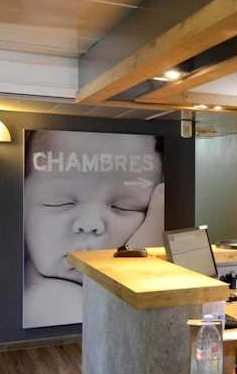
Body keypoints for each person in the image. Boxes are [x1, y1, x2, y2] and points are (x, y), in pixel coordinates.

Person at [23, 130, 165, 328]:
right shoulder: (50, 301)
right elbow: (123, 328)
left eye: (125, 207)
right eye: (59, 203)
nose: (90, 224)